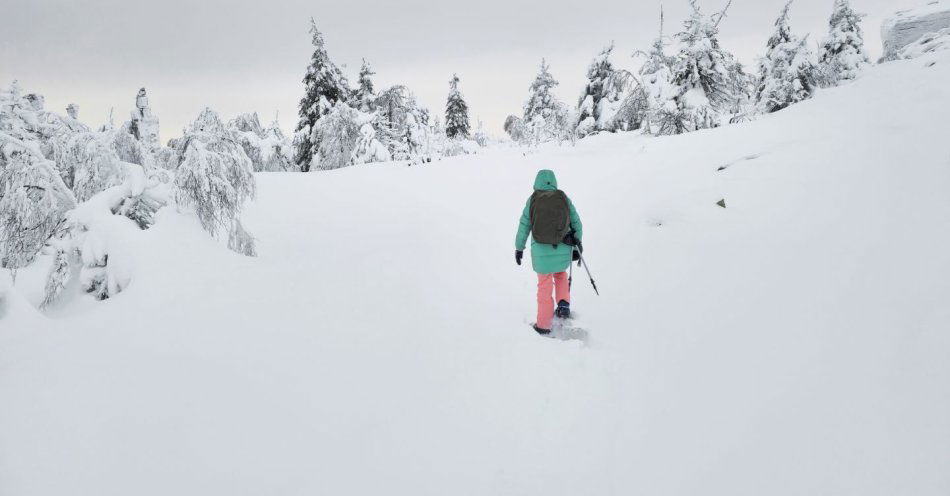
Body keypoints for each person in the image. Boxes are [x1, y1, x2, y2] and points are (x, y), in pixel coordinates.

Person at [515, 170, 583, 335]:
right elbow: (576, 222)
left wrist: (519, 247)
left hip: (541, 252)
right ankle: (564, 306)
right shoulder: (563, 198)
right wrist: (577, 243)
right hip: (562, 248)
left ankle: (544, 325)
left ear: (536, 182)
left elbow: (524, 225)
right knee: (560, 275)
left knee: (544, 285)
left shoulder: (532, 200)